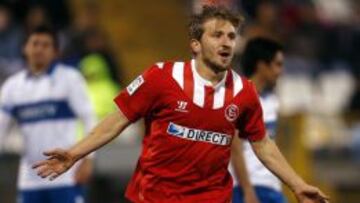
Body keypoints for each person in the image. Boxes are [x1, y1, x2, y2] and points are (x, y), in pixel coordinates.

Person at [32, 6, 328, 203]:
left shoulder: (244, 91)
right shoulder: (161, 77)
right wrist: (74, 153)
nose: (226, 42)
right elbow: (117, 120)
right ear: (196, 44)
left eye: (231, 36)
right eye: (217, 35)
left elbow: (262, 143)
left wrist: (297, 184)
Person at [0, 25, 96, 203]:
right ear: (25, 48)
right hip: (29, 180)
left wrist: (88, 159)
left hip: (66, 177)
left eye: (45, 45)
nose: (39, 49)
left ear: (55, 51)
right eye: (35, 43)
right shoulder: (12, 87)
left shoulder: (70, 79)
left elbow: (89, 118)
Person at [229, 38, 286, 203]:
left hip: (271, 186)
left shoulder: (272, 101)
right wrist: (247, 191)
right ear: (262, 66)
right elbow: (236, 148)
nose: (280, 71)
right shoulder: (238, 98)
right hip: (247, 187)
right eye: (277, 64)